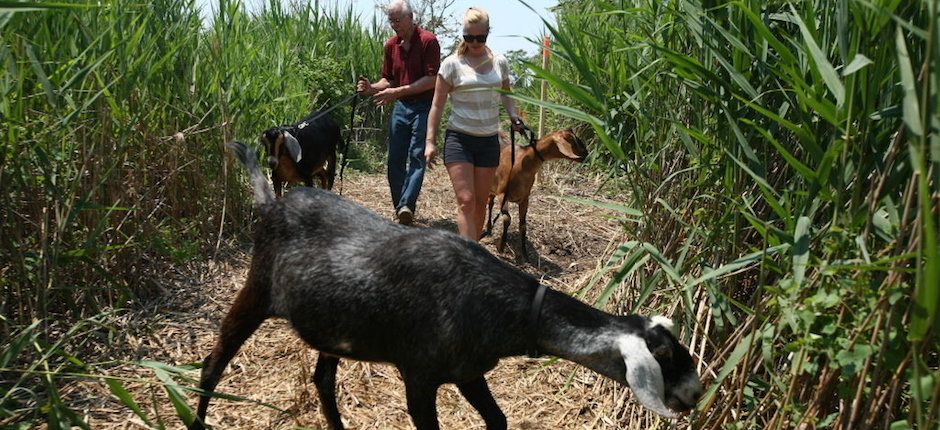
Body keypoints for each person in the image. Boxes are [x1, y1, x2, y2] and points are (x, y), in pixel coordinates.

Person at [425, 7, 521, 241]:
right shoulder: (451, 64)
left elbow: (506, 94)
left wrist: (513, 115)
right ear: (463, 35)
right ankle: (467, 259)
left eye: (480, 37)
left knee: (480, 204)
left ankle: (473, 250)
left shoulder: (500, 62)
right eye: (469, 37)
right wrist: (430, 141)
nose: (475, 42)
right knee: (466, 201)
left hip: (488, 140)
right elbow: (437, 105)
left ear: (488, 33)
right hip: (459, 138)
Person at [357, 0, 440, 225]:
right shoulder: (390, 45)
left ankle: (406, 205)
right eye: (391, 20)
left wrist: (397, 91)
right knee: (394, 159)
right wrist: (373, 88)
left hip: (423, 106)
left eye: (398, 20)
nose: (394, 25)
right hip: (401, 107)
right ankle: (401, 208)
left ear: (411, 18)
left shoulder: (428, 41)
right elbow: (388, 79)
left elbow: (432, 79)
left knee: (416, 156)